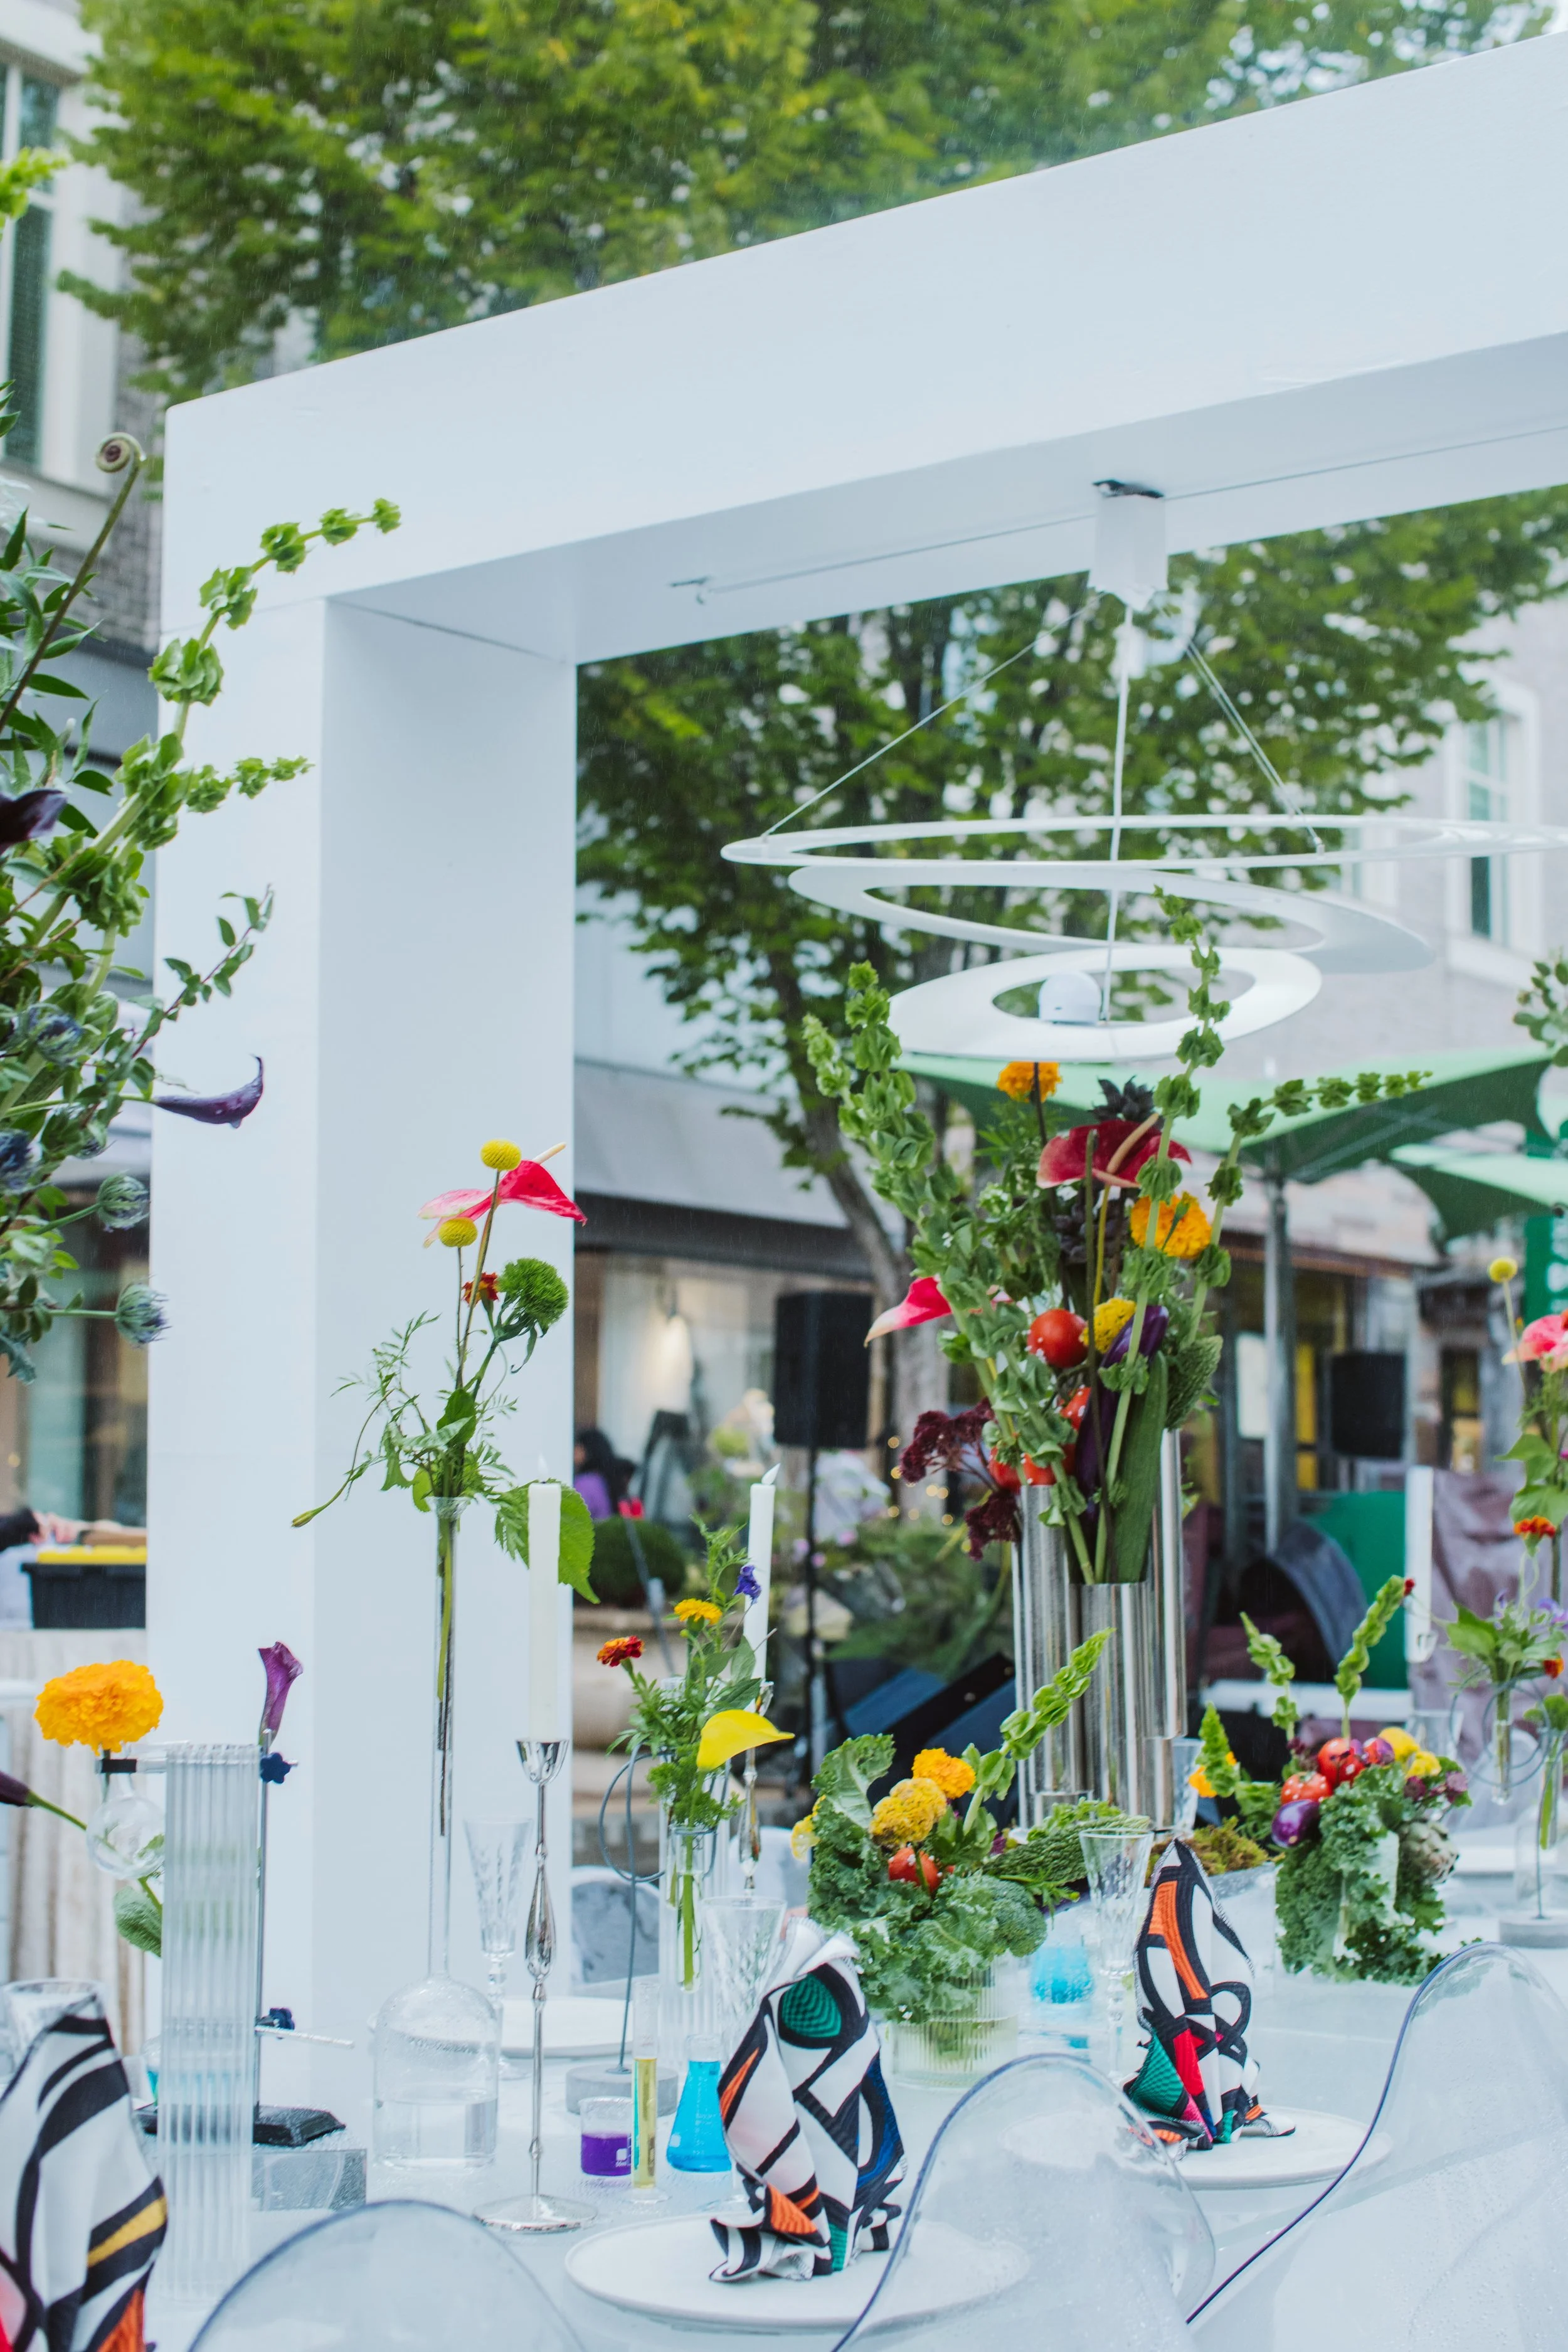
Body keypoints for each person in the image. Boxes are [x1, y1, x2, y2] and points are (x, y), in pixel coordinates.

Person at [573, 1428, 630, 1522]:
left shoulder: (585, 1483)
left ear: (588, 1450)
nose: (574, 1451)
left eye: (578, 1447)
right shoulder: (604, 1479)